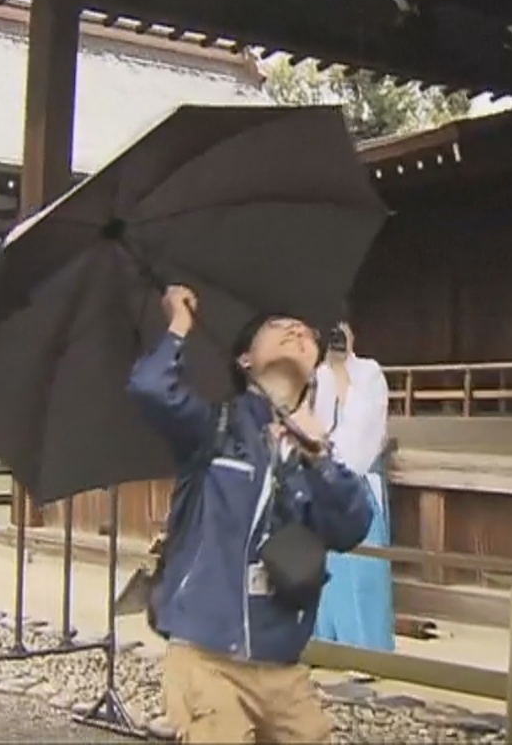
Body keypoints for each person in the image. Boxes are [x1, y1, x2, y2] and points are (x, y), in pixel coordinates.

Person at [133, 285, 373, 744]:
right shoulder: (216, 429)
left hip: (279, 660)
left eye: (305, 333)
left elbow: (351, 527)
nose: (296, 331)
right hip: (204, 653)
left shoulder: (317, 451)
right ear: (245, 359)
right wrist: (178, 325)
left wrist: (320, 460)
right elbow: (151, 388)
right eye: (277, 327)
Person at [311, 322, 395, 652]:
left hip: (358, 487)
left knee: (362, 577)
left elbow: (365, 426)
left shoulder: (369, 372)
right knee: (324, 577)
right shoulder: (317, 375)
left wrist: (341, 372)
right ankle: (324, 644)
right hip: (322, 483)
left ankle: (368, 651)